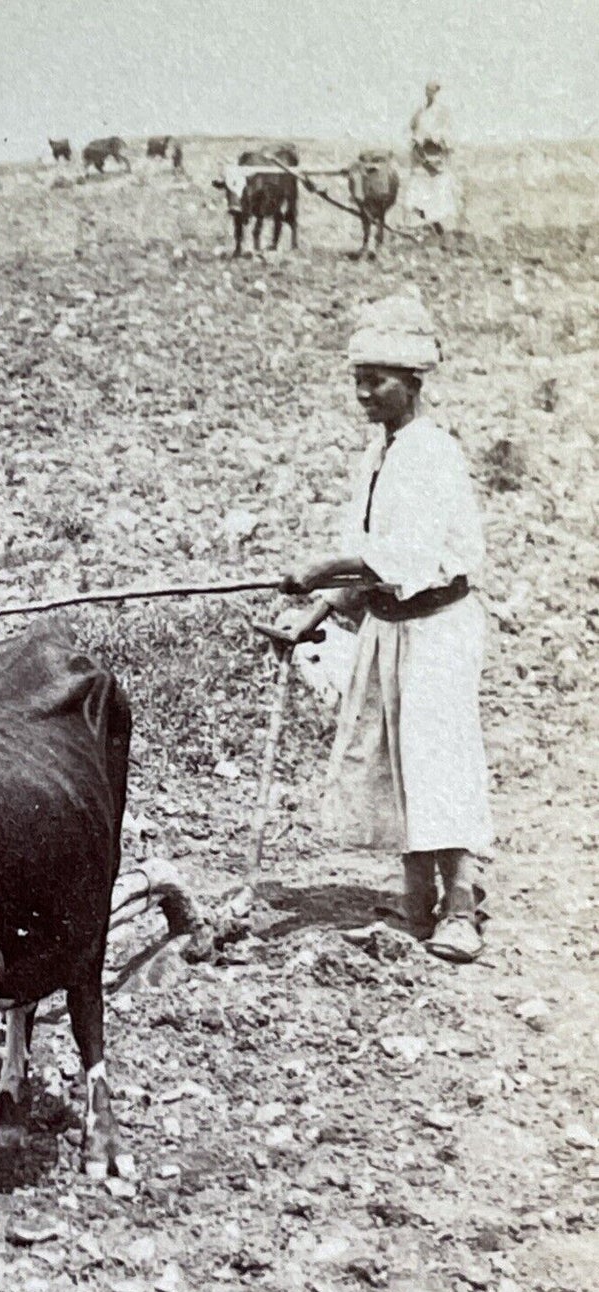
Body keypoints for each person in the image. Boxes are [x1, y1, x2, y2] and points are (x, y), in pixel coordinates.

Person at [280, 294, 492, 962]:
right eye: (357, 380)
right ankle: (411, 902)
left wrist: (319, 571)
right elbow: (370, 556)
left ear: (414, 382)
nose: (364, 392)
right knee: (397, 762)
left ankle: (460, 906)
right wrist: (314, 613)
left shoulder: (430, 454)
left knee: (439, 760)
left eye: (378, 380)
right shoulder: (380, 449)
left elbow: (401, 557)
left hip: (435, 629)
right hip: (390, 626)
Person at [407, 81, 460, 233]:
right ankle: (423, 224)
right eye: (427, 90)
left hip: (436, 157)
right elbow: (412, 130)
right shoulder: (420, 111)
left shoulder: (442, 112)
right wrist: (418, 142)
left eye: (432, 90)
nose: (429, 93)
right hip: (421, 158)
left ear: (436, 92)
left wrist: (437, 141)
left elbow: (447, 134)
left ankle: (438, 227)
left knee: (438, 192)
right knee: (416, 194)